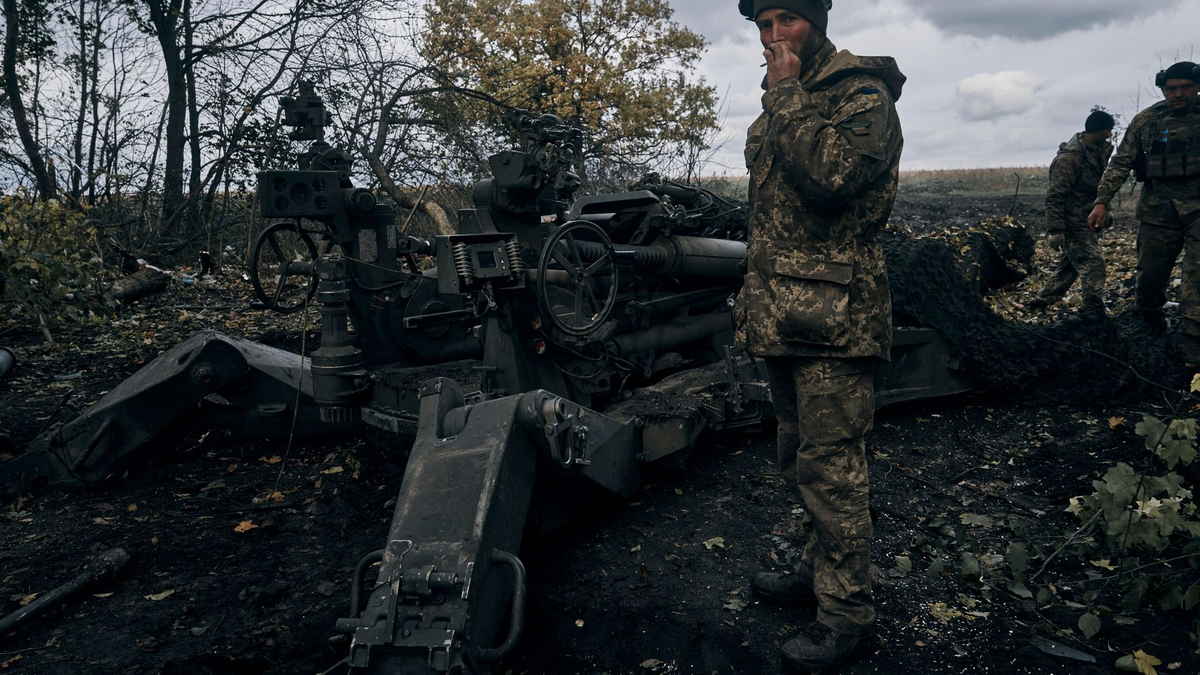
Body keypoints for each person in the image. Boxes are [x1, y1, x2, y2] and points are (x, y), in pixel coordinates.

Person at [733, 0, 903, 669]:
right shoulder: (789, 99)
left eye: (787, 19)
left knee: (834, 472)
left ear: (816, 21)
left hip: (837, 321)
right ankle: (815, 573)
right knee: (799, 457)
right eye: (764, 23)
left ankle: (847, 613)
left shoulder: (861, 95)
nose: (774, 35)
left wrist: (784, 95)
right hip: (786, 316)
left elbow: (832, 178)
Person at [1089, 62, 1200, 357]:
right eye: (1171, 88)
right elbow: (1121, 162)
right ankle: (1149, 328)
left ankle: (1192, 343)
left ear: (1197, 86)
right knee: (1150, 278)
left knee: (1196, 278)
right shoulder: (1148, 120)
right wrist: (1102, 201)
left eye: (1185, 87)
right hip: (1157, 213)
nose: (1178, 94)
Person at [1030, 110, 1115, 316]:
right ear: (1096, 131)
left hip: (1087, 219)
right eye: (1107, 130)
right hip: (1072, 222)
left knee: (1070, 266)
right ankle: (1093, 310)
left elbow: (1099, 186)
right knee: (1094, 263)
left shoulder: (1098, 150)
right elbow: (1055, 196)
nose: (1110, 135)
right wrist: (1056, 230)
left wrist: (1105, 210)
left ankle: (1040, 302)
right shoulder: (1069, 159)